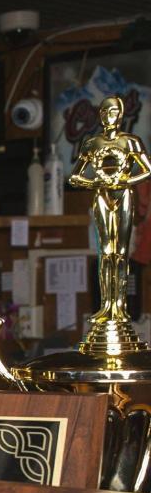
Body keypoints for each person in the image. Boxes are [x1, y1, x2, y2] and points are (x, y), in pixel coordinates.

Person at [68, 94, 151, 323]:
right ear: (100, 115)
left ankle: (120, 306)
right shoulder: (92, 143)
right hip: (101, 196)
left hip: (122, 194)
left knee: (121, 253)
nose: (108, 117)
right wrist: (95, 182)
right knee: (105, 253)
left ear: (121, 115)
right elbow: (75, 176)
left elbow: (148, 170)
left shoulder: (130, 141)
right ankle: (106, 306)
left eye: (113, 112)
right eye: (104, 112)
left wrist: (125, 181)